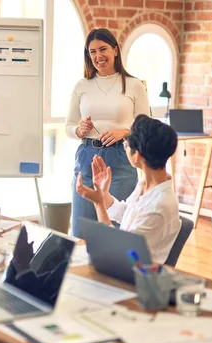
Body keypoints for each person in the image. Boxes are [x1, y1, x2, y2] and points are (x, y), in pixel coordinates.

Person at [66, 28, 151, 237]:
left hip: (121, 159)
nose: (98, 56)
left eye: (103, 49)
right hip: (87, 157)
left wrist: (125, 131)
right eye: (92, 52)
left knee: (118, 228)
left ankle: (113, 268)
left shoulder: (134, 85)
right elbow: (68, 127)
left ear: (115, 50)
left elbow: (146, 126)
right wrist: (79, 130)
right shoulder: (81, 86)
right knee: (81, 230)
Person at [76, 115, 180, 264]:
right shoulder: (146, 185)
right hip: (122, 263)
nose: (125, 147)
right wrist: (104, 195)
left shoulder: (160, 205)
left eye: (126, 145)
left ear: (137, 156)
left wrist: (98, 203)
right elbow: (128, 214)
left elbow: (121, 252)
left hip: (134, 275)